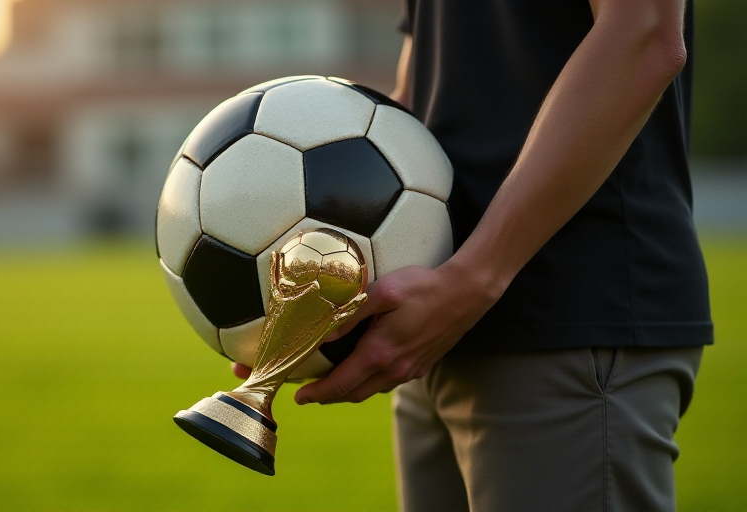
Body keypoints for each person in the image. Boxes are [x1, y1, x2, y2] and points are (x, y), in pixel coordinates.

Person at [236, 0, 712, 510]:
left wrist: (476, 276)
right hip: (438, 329)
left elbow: (643, 33)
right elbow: (424, 83)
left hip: (566, 320)